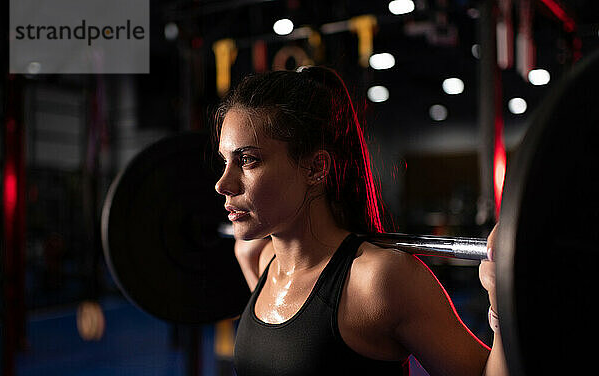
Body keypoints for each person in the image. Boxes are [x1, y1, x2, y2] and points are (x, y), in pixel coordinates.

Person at [213, 66, 507, 375]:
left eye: (247, 160)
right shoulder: (262, 261)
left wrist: (502, 302)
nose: (222, 183)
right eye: (224, 161)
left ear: (316, 168)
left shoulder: (378, 280)